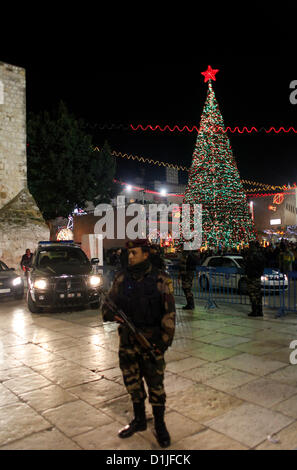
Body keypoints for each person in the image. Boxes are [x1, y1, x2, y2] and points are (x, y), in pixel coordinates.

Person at [102, 239, 176, 448]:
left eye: (134, 253)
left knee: (156, 387)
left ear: (146, 254)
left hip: (151, 343)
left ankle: (160, 425)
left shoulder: (160, 279)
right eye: (129, 253)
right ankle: (139, 420)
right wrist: (114, 316)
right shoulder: (121, 278)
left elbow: (169, 315)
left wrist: (161, 344)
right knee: (132, 383)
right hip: (127, 343)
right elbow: (107, 307)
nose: (130, 257)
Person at [244, 241, 265, 317]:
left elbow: (248, 265)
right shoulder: (260, 254)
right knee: (258, 294)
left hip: (252, 276)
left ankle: (254, 311)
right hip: (257, 276)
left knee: (252, 294)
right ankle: (260, 311)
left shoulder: (251, 255)